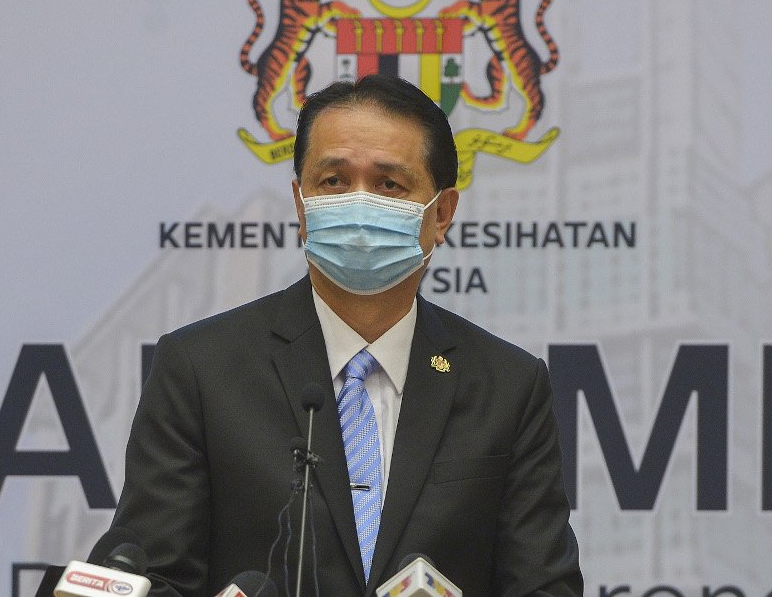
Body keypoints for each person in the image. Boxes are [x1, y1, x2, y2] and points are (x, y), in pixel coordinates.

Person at [108, 75, 582, 596]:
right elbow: (153, 576)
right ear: (301, 204)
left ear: (442, 214)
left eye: (389, 185)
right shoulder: (200, 369)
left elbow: (545, 587)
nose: (359, 207)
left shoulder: (509, 386)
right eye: (333, 181)